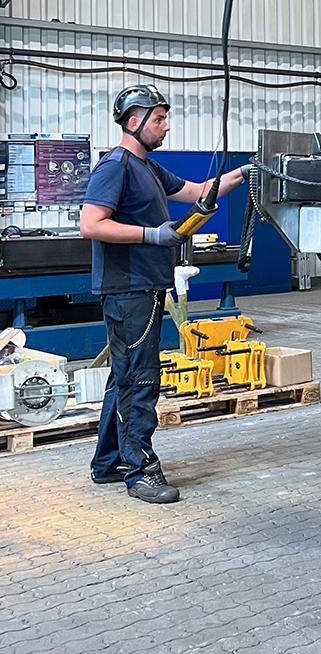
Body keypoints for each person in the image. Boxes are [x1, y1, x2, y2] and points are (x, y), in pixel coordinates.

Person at [80, 85, 250, 504]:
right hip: (129, 289)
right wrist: (152, 235)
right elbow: (91, 224)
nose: (166, 126)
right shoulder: (115, 167)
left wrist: (246, 172)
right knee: (140, 380)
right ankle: (141, 473)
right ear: (133, 122)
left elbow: (198, 191)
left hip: (146, 286)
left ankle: (108, 462)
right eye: (158, 119)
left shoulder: (149, 169)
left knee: (124, 376)